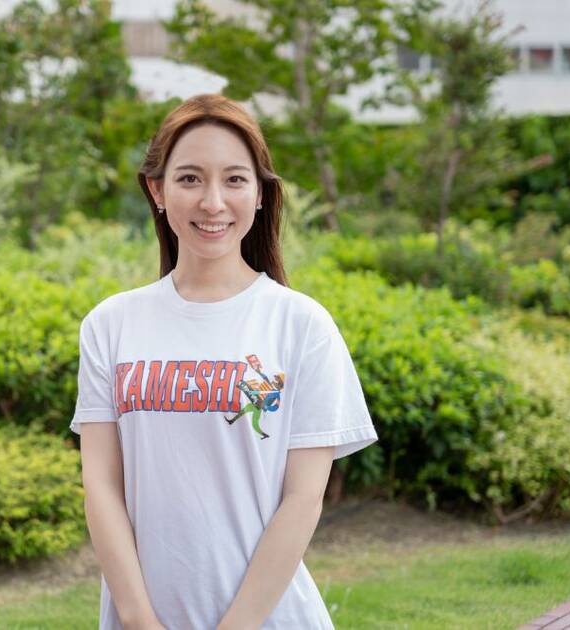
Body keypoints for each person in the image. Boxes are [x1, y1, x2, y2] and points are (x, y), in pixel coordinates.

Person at [70, 93, 379, 630]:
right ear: (157, 190)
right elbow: (101, 487)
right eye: (190, 178)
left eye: (235, 179)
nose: (213, 202)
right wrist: (139, 619)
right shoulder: (110, 325)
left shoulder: (301, 326)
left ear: (259, 194)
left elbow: (303, 499)